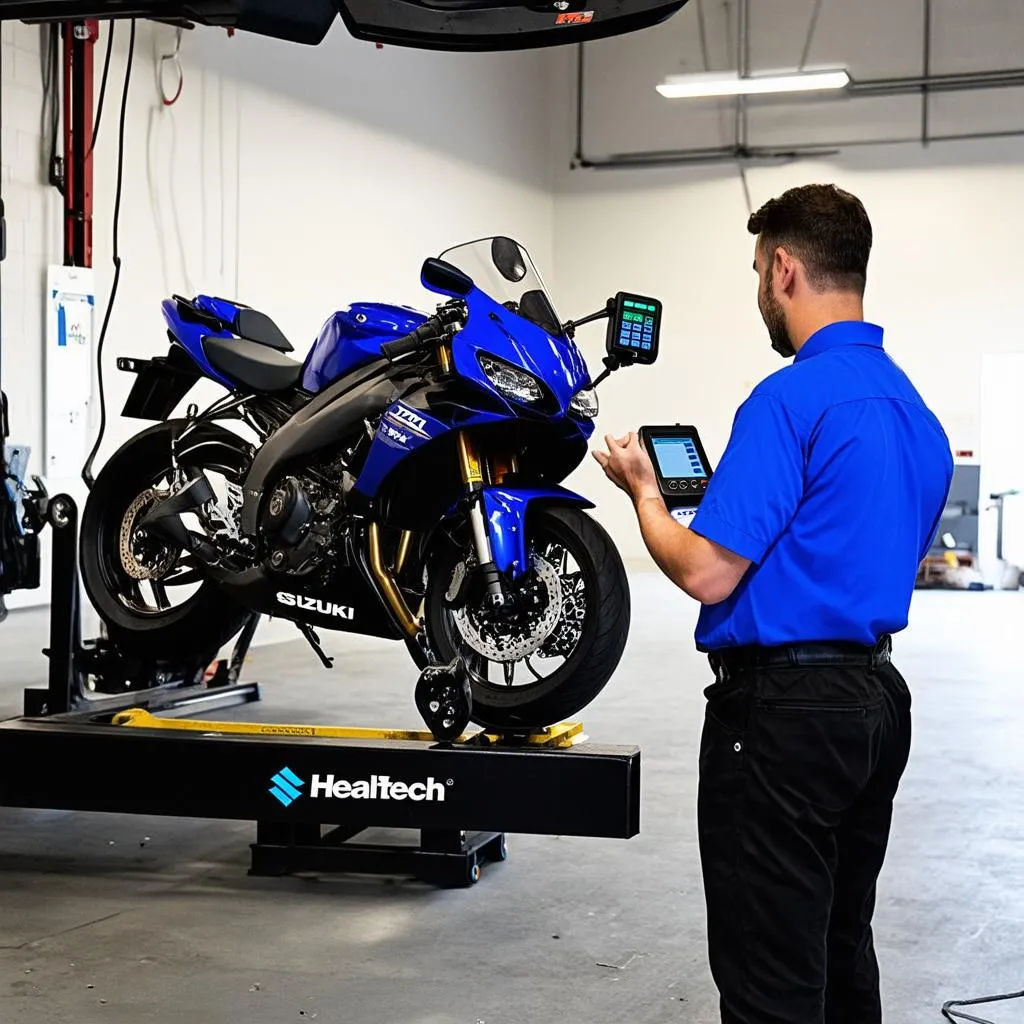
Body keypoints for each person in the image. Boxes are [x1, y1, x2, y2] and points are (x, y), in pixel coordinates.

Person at [593, 183, 953, 1024]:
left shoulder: (788, 399)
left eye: (760, 270)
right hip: (875, 705)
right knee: (839, 942)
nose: (760, 288)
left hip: (785, 716)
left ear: (785, 268)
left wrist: (645, 493)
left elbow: (708, 573)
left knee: (770, 975)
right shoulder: (915, 412)